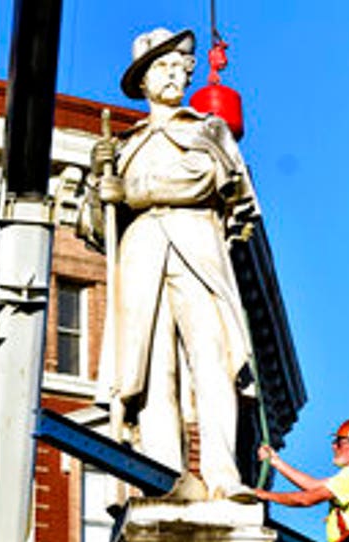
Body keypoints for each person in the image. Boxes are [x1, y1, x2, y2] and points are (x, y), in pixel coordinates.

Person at [88, 27, 260, 502]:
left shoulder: (207, 130)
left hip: (196, 244)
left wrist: (133, 191)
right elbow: (99, 228)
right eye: (159, 67)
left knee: (213, 359)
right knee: (150, 368)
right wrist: (98, 190)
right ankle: (163, 474)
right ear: (143, 81)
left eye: (176, 66)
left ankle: (223, 475)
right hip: (143, 250)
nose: (171, 74)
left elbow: (207, 177)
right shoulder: (123, 147)